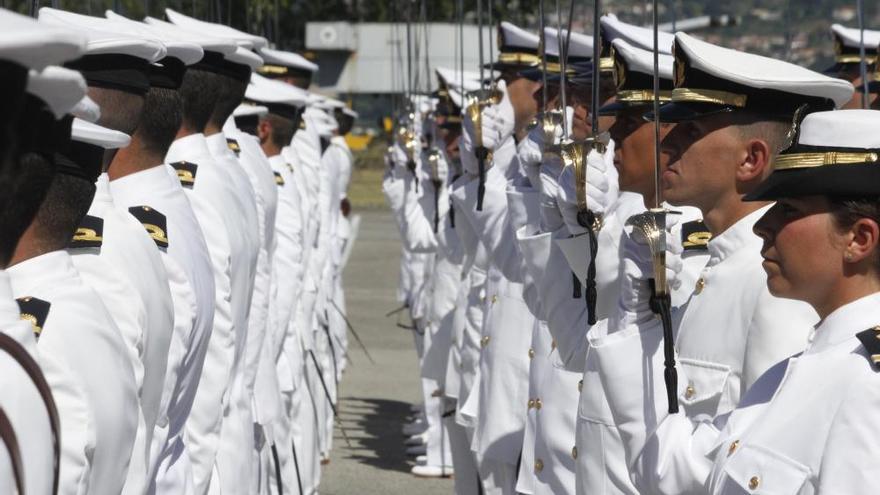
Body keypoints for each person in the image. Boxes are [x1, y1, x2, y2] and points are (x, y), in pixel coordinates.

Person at [589, 32, 854, 494]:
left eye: (690, 131)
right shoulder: (710, 262)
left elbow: (762, 468)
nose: (666, 144)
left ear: (751, 160)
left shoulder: (773, 284)